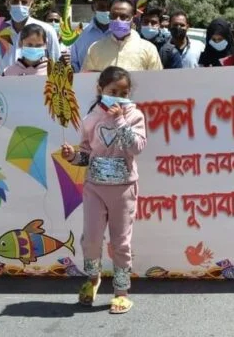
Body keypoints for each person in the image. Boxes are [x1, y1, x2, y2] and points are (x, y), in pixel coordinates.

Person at [61, 66, 146, 313]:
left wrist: (119, 120)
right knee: (91, 239)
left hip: (123, 189)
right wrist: (72, 156)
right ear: (100, 89)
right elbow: (86, 154)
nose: (118, 97)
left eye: (123, 93)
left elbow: (137, 147)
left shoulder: (135, 115)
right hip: (94, 188)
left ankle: (121, 292)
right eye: (113, 91)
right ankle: (92, 278)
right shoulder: (90, 118)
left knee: (120, 243)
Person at [0, 0, 61, 74]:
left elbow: (56, 62)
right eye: (15, 1)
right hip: (6, 81)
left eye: (24, 2)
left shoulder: (47, 30)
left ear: (31, 5)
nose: (19, 5)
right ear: (8, 4)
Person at [81, 0, 163, 72]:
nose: (117, 20)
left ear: (133, 19)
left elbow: (157, 80)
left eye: (123, 16)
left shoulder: (148, 49)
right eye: (113, 16)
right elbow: (86, 78)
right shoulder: (95, 48)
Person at [71, 0, 115, 73]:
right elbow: (75, 64)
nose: (106, 11)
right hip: (85, 81)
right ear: (93, 7)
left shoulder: (120, 34)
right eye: (101, 7)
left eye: (109, 7)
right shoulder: (81, 34)